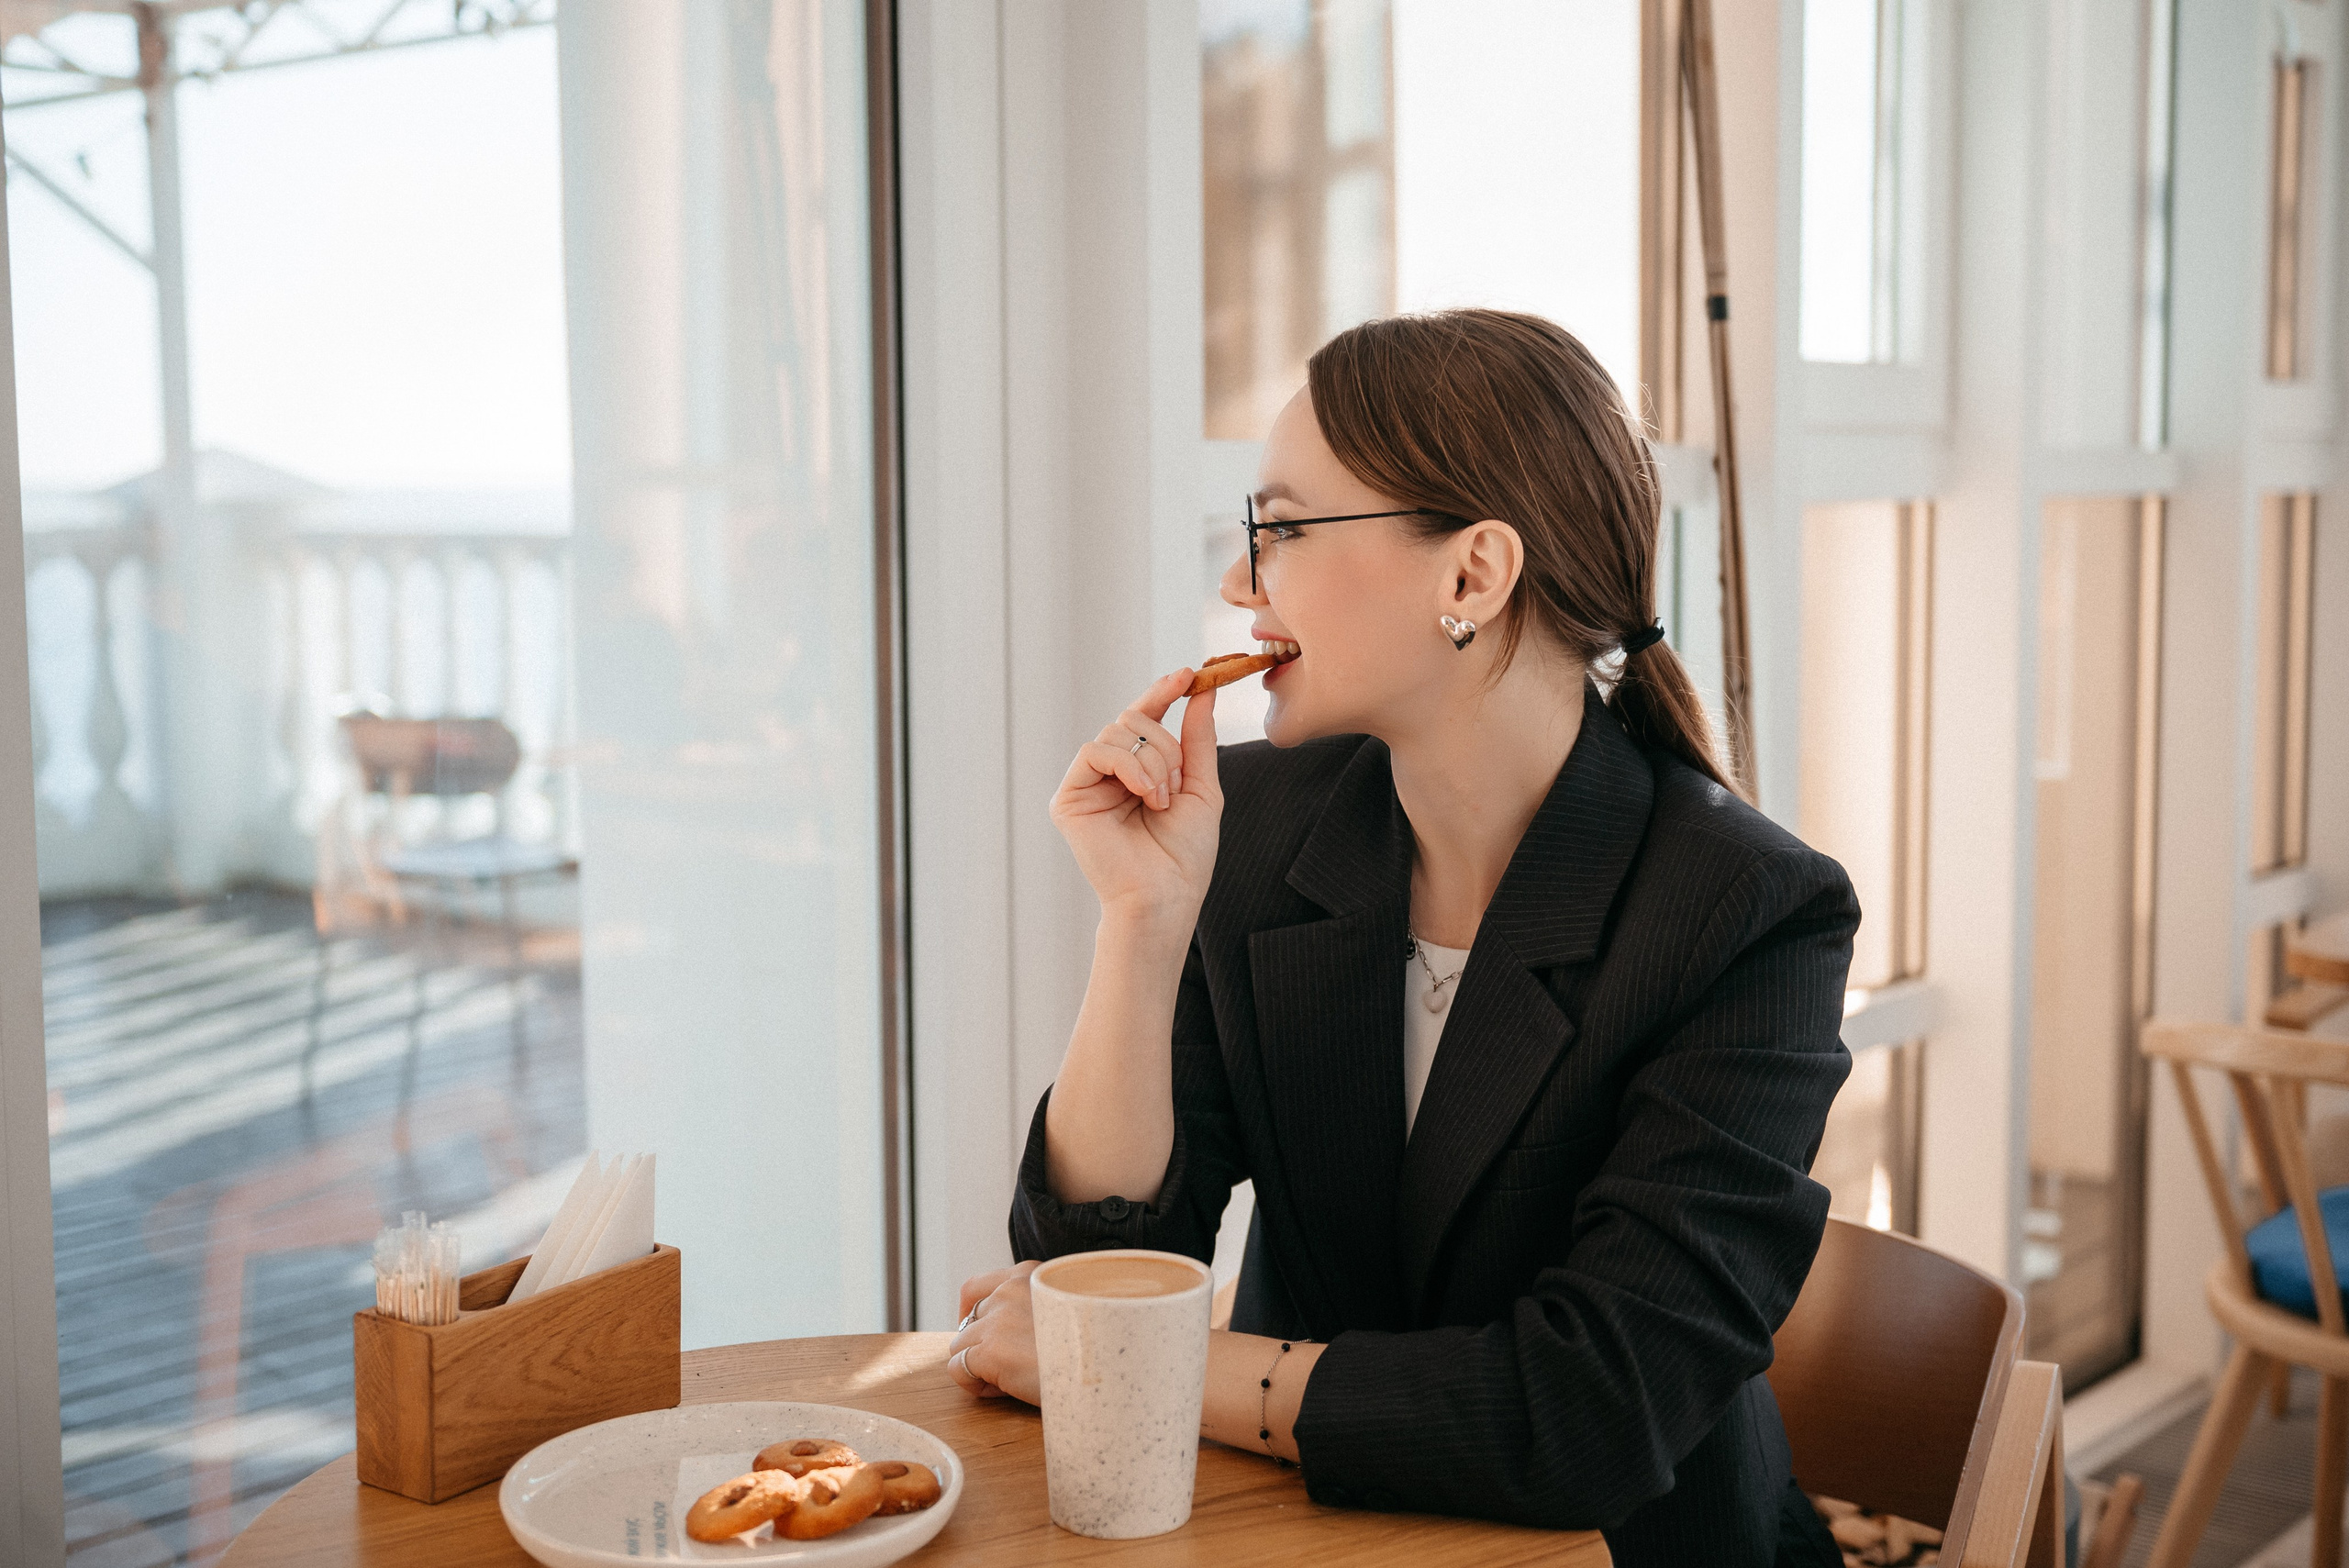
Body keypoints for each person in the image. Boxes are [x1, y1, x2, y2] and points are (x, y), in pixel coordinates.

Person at [945, 308, 1857, 1567]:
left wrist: (1180, 1368)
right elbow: (1094, 1279)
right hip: (1295, 1537)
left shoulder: (1745, 912)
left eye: (1281, 528)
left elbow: (1587, 1414)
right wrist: (1141, 926)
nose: (1237, 580)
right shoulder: (1257, 825)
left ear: (1471, 575)